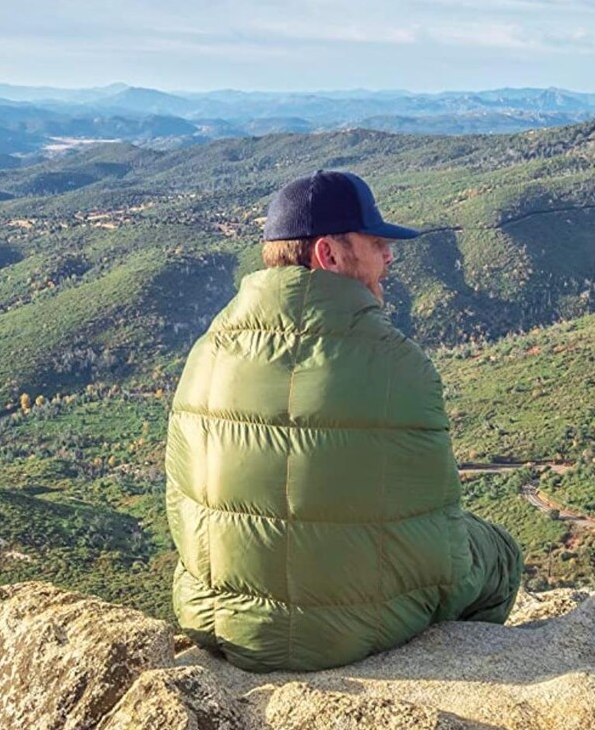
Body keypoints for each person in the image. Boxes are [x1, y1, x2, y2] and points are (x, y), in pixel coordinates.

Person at [165, 170, 523, 672]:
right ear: (328, 255)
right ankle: (464, 664)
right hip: (354, 635)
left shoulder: (206, 352)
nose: (389, 258)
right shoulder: (400, 365)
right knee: (499, 553)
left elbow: (181, 508)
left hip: (219, 622)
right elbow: (440, 541)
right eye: (376, 244)